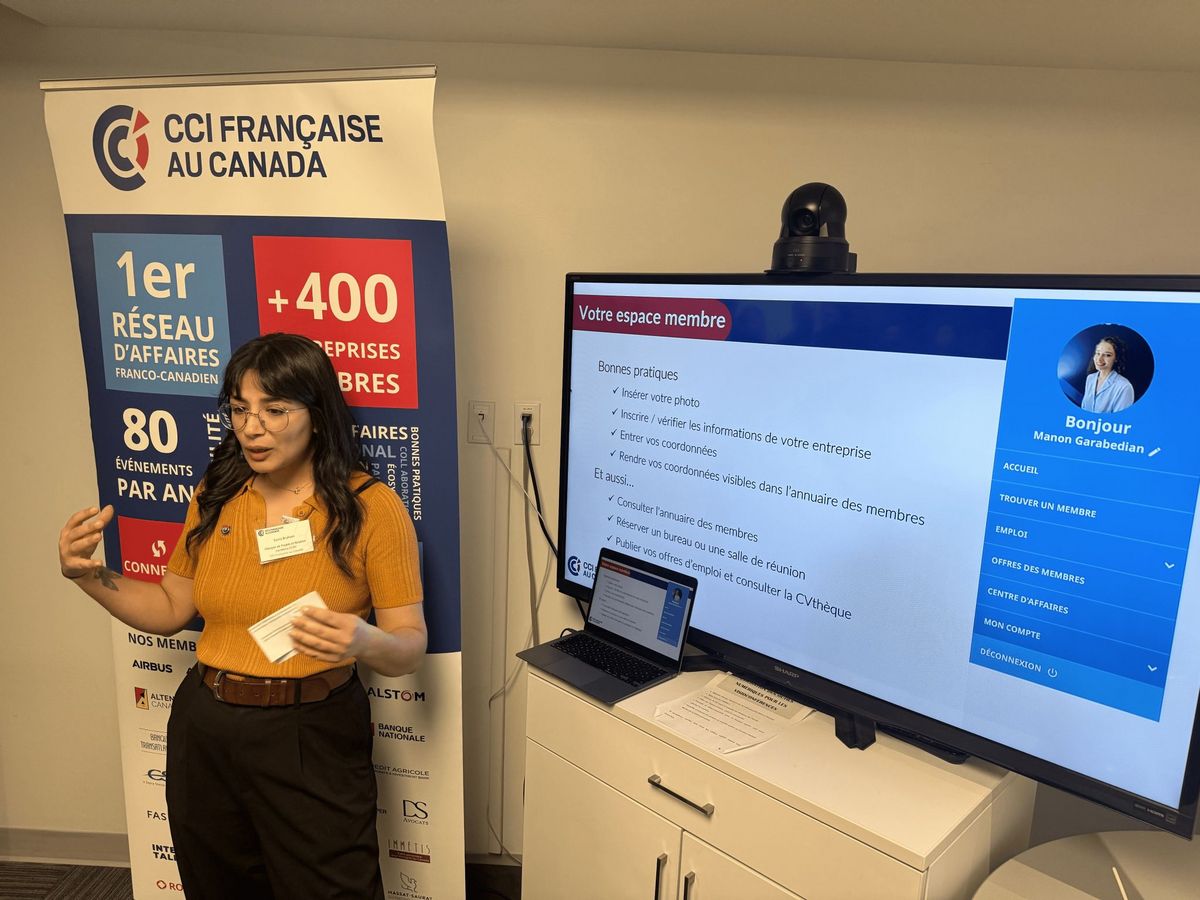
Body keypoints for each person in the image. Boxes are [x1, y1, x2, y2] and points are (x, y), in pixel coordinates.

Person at [58, 332, 426, 900]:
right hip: (206, 726)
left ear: (317, 415)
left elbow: (409, 645)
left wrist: (364, 640)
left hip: (310, 732)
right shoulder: (218, 490)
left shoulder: (371, 507)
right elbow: (170, 607)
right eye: (239, 409)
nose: (252, 427)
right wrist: (88, 575)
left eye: (274, 410)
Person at [1081, 336, 1135, 413]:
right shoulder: (1090, 378)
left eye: (1107, 355)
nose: (1099, 359)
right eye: (1098, 353)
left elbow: (1120, 419)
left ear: (1116, 358)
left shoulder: (1124, 387)